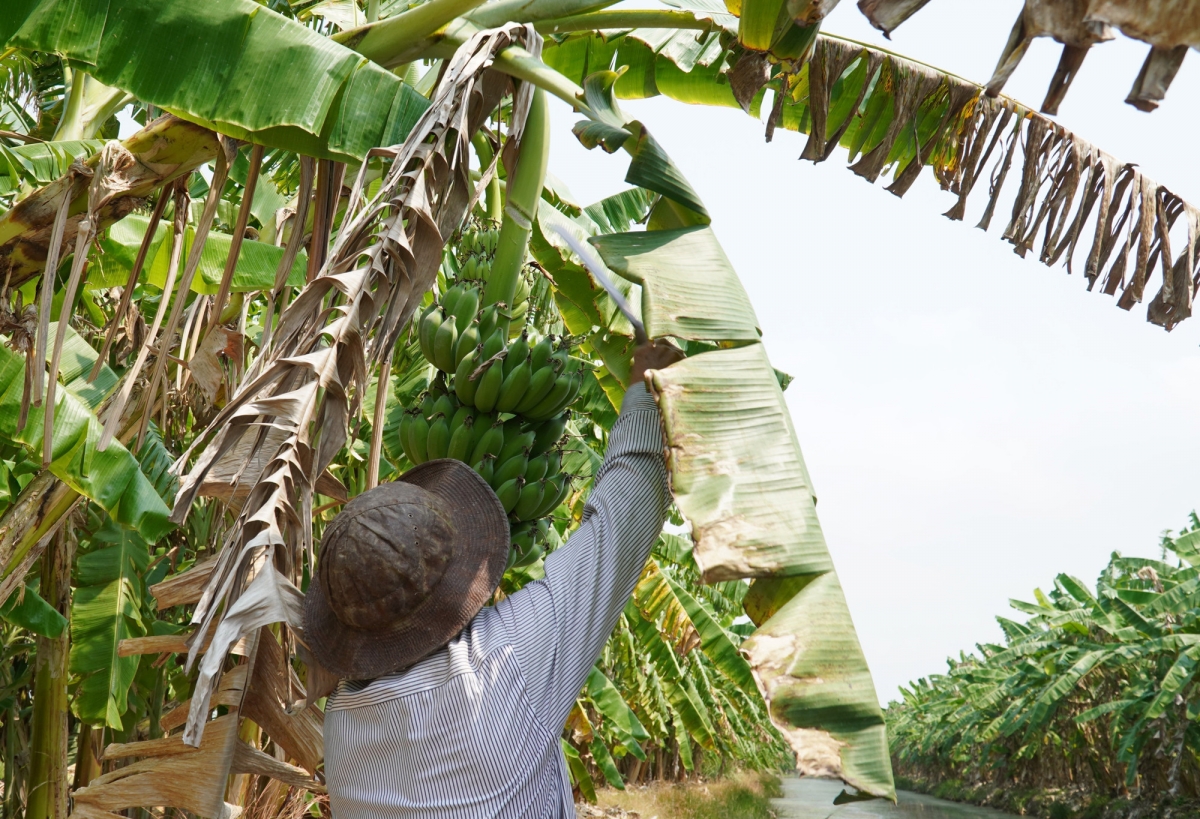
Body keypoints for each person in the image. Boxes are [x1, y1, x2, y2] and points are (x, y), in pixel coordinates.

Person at [303, 340, 685, 818]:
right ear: (458, 577)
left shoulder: (341, 725)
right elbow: (621, 526)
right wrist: (646, 394)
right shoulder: (506, 662)